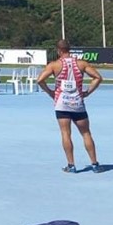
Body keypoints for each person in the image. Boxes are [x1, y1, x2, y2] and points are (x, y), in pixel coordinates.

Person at [36, 38, 104, 173]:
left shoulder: (54, 65)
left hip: (62, 104)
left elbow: (40, 80)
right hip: (78, 103)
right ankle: (95, 164)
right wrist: (87, 92)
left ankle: (71, 165)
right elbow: (98, 77)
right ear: (70, 49)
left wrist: (50, 92)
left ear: (58, 51)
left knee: (66, 134)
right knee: (86, 133)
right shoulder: (81, 64)